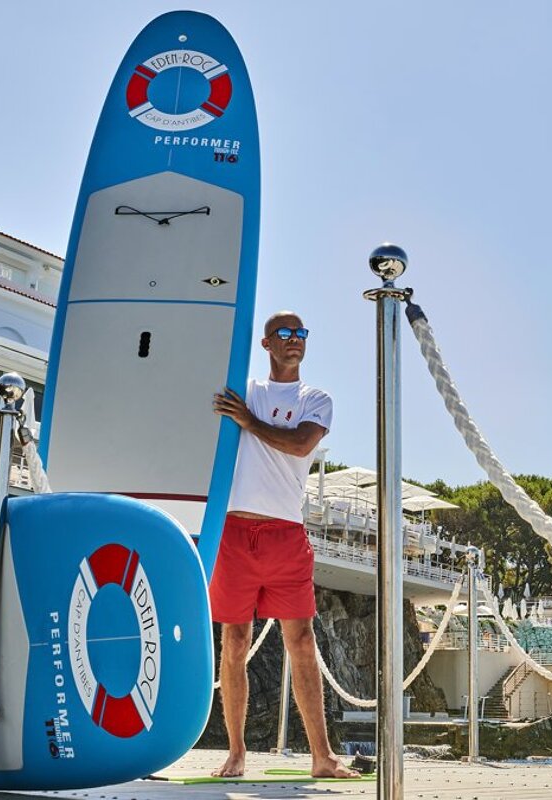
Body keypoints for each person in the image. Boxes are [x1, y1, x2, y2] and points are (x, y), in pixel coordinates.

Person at [209, 311, 358, 779]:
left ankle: (322, 756)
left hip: (285, 535)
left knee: (302, 639)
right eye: (285, 335)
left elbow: (299, 445)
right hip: (233, 532)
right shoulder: (244, 389)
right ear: (267, 343)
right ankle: (235, 753)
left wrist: (249, 422)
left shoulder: (315, 398)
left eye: (301, 334)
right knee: (233, 642)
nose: (295, 341)